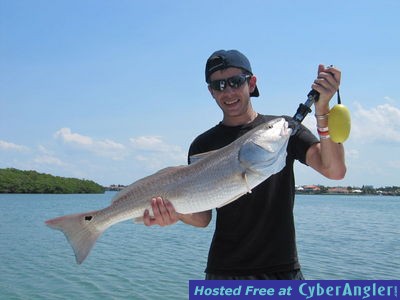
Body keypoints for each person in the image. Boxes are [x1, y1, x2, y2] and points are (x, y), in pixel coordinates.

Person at [142, 50, 346, 280]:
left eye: (236, 82)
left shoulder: (281, 129)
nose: (228, 91)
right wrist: (174, 212)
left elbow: (334, 170)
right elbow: (201, 218)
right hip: (223, 273)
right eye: (218, 85)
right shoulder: (203, 144)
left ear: (252, 83)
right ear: (211, 92)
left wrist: (323, 111)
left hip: (282, 269)